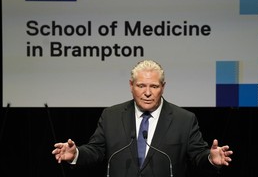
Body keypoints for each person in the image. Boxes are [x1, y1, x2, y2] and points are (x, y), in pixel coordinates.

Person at [52, 59, 233, 177]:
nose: (147, 93)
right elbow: (96, 150)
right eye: (141, 85)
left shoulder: (183, 119)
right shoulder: (111, 116)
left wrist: (211, 158)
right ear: (131, 86)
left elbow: (198, 156)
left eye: (153, 86)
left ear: (163, 87)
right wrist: (76, 154)